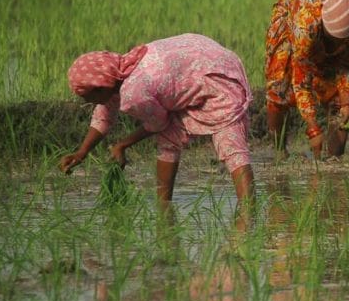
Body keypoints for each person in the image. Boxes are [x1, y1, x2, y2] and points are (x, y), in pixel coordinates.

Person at [59, 33, 256, 215]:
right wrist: (82, 152)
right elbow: (103, 116)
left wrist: (123, 144)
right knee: (169, 137)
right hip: (202, 60)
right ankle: (164, 207)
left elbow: (158, 123)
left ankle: (249, 212)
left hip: (215, 78)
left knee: (229, 142)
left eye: (87, 97)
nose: (87, 102)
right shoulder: (122, 69)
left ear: (100, 87)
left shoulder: (133, 93)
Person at [264, 0, 349, 159]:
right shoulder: (305, 24)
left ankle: (334, 159)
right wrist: (312, 128)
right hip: (291, 13)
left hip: (324, 35)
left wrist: (346, 102)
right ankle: (279, 151)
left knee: (339, 98)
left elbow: (348, 65)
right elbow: (301, 82)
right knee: (280, 85)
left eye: (342, 41)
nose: (338, 45)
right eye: (333, 40)